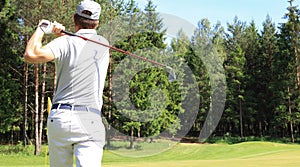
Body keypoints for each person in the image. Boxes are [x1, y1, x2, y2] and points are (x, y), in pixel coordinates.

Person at [24, 0, 109, 166]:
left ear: (74, 18)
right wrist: (62, 36)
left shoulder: (64, 43)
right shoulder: (102, 44)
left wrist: (42, 28)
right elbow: (79, 45)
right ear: (97, 22)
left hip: (60, 118)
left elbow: (30, 54)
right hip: (89, 119)